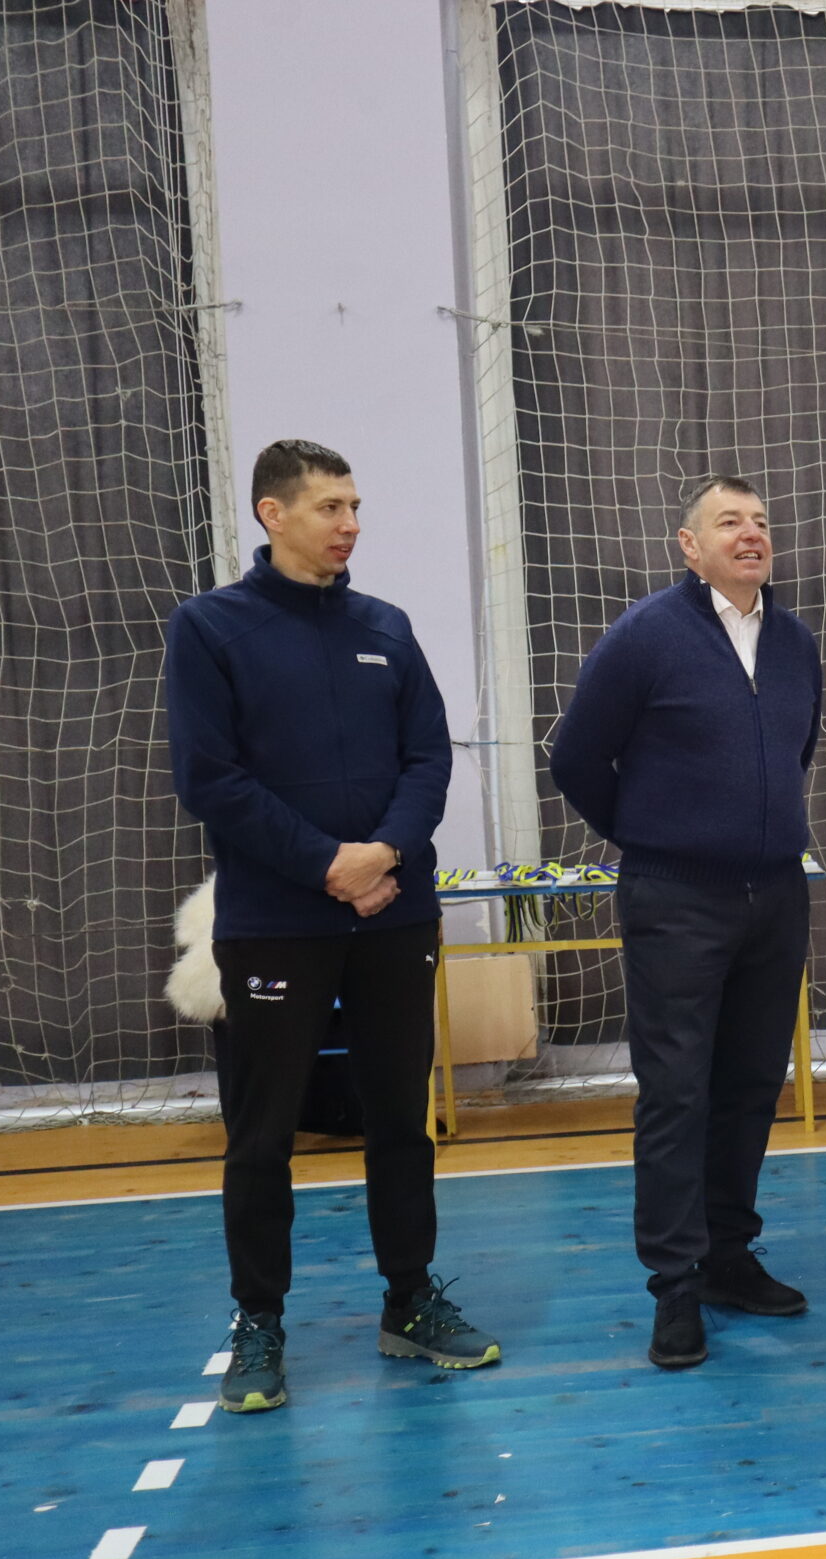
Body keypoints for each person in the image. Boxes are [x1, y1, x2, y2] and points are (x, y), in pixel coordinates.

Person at [165, 439, 500, 1414]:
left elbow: (428, 758)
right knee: (261, 1133)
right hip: (275, 922)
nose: (350, 523)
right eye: (329, 507)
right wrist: (327, 865)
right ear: (272, 514)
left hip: (395, 912)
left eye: (355, 506)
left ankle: (410, 1300)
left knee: (400, 1119)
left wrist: (382, 854)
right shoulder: (210, 628)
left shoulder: (386, 626)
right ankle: (260, 1321)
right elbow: (210, 779)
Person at [549, 475, 822, 1369]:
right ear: (689, 545)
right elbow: (576, 757)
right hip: (675, 898)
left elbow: (795, 750)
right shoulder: (645, 635)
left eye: (761, 521)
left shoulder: (795, 642)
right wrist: (649, 831)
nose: (751, 534)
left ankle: (728, 1257)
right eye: (728, 522)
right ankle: (674, 1284)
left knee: (751, 1082)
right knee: (675, 1092)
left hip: (775, 895)